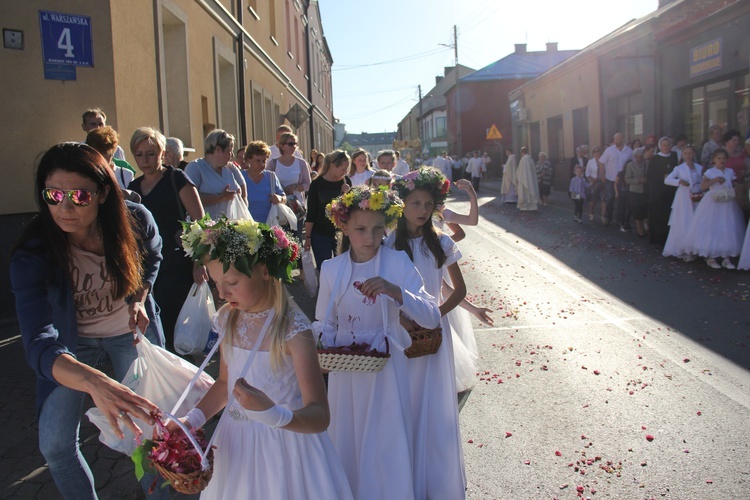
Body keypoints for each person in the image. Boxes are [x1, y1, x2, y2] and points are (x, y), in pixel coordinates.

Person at [10, 143, 165, 499]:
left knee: (150, 433)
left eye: (79, 195)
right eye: (53, 194)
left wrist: (140, 299)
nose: (64, 207)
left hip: (128, 335)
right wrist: (95, 382)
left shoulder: (135, 220)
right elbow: (39, 343)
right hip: (71, 347)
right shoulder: (33, 252)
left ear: (103, 193)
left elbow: (152, 257)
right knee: (55, 446)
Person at [175, 217, 353, 499]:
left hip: (285, 445)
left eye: (232, 281)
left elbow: (320, 415)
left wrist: (273, 414)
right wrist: (193, 419)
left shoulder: (293, 330)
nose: (221, 293)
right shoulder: (228, 320)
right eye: (216, 282)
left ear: (266, 271)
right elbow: (225, 383)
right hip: (236, 441)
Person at [316, 187, 440, 499]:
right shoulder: (331, 269)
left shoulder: (397, 262)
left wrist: (396, 291)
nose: (370, 238)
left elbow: (431, 317)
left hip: (385, 369)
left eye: (377, 229)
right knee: (347, 436)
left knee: (385, 439)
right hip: (346, 370)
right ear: (343, 227)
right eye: (360, 229)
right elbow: (324, 322)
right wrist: (321, 343)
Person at [388, 168, 466, 498]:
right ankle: (404, 479)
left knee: (434, 407)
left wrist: (433, 317)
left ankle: (436, 479)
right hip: (401, 332)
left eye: (428, 203)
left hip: (434, 333)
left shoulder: (442, 242)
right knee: (404, 404)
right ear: (402, 203)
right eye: (415, 202)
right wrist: (405, 321)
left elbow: (459, 290)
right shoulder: (388, 243)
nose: (422, 209)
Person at [128, 127, 207, 352]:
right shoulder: (133, 188)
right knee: (155, 330)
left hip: (176, 264)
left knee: (176, 333)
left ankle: (187, 381)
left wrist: (198, 262)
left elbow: (201, 222)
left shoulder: (176, 178)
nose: (145, 160)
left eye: (151, 153)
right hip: (148, 269)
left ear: (162, 153)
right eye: (140, 154)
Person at [684, 148, 745, 269]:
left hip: (727, 202)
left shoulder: (729, 171)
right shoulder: (710, 172)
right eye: (719, 158)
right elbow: (702, 186)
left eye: (723, 158)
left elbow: (732, 184)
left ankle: (726, 257)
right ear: (713, 160)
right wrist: (715, 179)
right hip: (713, 201)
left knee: (727, 227)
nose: (721, 160)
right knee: (712, 226)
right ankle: (710, 256)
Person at [304, 150, 352, 270]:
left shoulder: (346, 182)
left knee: (343, 267)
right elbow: (311, 213)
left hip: (342, 232)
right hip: (320, 234)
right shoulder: (317, 184)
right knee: (324, 268)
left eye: (347, 169)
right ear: (332, 166)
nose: (345, 172)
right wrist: (308, 238)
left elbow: (352, 208)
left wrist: (348, 193)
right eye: (343, 169)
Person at [185, 129, 246, 218]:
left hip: (231, 227)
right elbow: (189, 199)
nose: (232, 155)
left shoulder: (231, 168)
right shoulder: (195, 167)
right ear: (218, 149)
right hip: (205, 228)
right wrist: (220, 197)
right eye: (229, 151)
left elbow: (244, 194)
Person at [266, 131, 312, 238]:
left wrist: (295, 187)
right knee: (282, 239)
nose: (294, 147)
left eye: (295, 144)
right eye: (290, 144)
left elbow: (308, 184)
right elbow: (267, 182)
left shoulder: (301, 163)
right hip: (279, 206)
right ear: (282, 146)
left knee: (296, 239)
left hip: (296, 206)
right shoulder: (273, 163)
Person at [663, 145, 703, 260]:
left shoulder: (699, 168)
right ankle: (682, 247)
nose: (688, 155)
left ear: (694, 154)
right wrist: (679, 181)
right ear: (683, 155)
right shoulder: (679, 168)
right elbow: (667, 180)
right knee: (684, 219)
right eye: (686, 153)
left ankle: (694, 247)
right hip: (684, 196)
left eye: (690, 153)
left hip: (696, 195)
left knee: (695, 219)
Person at [241, 141, 287, 223]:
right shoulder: (240, 177)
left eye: (264, 161)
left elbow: (284, 198)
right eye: (258, 161)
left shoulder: (271, 177)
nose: (262, 164)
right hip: (247, 226)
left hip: (270, 224)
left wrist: (279, 198)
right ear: (249, 159)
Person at [647, 137, 679, 245]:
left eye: (668, 145)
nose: (666, 147)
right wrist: (663, 177)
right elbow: (651, 175)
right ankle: (658, 240)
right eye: (664, 145)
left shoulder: (674, 156)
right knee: (658, 216)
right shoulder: (655, 159)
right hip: (658, 192)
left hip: (671, 191)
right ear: (660, 146)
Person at [84, 126, 135, 193]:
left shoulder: (126, 175)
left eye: (105, 155)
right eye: (96, 155)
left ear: (112, 153)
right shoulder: (84, 176)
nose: (101, 160)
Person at [599, 132, 633, 225]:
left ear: (622, 139)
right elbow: (601, 162)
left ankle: (620, 220)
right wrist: (602, 175)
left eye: (618, 139)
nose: (617, 141)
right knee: (610, 198)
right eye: (615, 139)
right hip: (610, 179)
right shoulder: (609, 150)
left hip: (623, 181)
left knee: (622, 201)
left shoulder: (629, 151)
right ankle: (607, 217)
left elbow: (632, 164)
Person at [624, 147, 649, 237]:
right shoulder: (630, 165)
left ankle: (645, 225)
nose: (639, 159)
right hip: (635, 191)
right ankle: (639, 227)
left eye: (641, 156)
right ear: (634, 157)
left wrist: (647, 179)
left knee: (644, 209)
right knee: (637, 210)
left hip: (646, 190)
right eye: (637, 157)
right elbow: (627, 179)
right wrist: (638, 180)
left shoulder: (648, 163)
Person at [585, 146, 605, 221]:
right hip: (594, 182)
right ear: (593, 153)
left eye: (598, 151)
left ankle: (603, 216)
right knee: (593, 199)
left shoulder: (604, 161)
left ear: (600, 152)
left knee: (604, 199)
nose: (596, 153)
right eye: (595, 152)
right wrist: (591, 179)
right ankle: (591, 213)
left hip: (603, 182)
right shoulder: (590, 162)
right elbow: (587, 173)